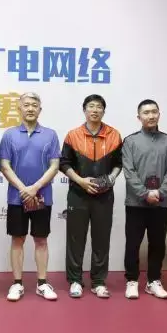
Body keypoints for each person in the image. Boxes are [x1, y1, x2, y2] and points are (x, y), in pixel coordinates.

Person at [0, 92, 61, 302]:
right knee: (17, 239)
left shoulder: (50, 135)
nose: (30, 108)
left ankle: (42, 283)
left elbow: (55, 165)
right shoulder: (9, 135)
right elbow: (4, 165)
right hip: (17, 197)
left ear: (40, 109)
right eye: (26, 105)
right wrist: (23, 189)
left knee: (41, 239)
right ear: (19, 108)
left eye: (34, 105)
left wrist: (35, 187)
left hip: (42, 197)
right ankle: (17, 283)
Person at [60, 94, 122, 299]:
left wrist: (111, 178)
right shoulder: (73, 135)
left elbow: (119, 163)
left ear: (104, 111)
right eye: (91, 106)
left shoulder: (114, 135)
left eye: (99, 107)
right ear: (84, 110)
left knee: (101, 239)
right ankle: (75, 280)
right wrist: (80, 181)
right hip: (78, 194)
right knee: (75, 239)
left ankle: (98, 282)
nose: (95, 110)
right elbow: (64, 163)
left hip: (104, 196)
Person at [122, 99, 167, 300]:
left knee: (158, 243)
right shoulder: (130, 141)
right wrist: (144, 193)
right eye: (146, 113)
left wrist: (161, 192)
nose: (151, 116)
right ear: (139, 117)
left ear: (159, 114)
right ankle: (132, 280)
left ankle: (154, 280)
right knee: (133, 243)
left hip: (160, 203)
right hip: (136, 203)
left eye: (154, 112)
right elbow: (128, 171)